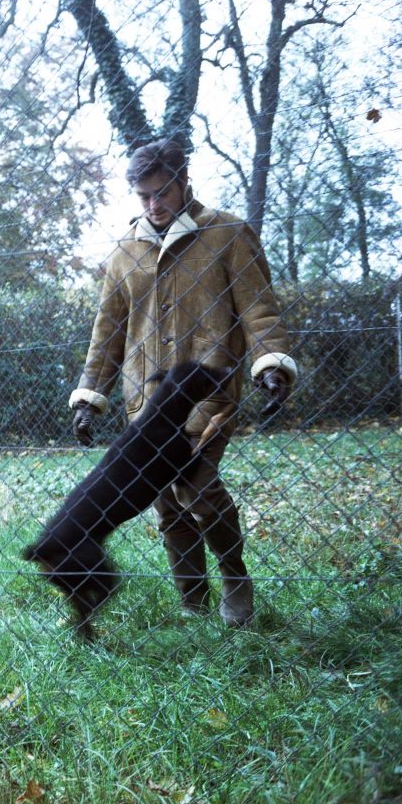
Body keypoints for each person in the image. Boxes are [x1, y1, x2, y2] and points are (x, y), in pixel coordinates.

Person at [68, 137, 298, 625]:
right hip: (145, 404)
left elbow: (259, 309)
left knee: (198, 489)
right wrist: (91, 395)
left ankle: (234, 577)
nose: (155, 204)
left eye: (163, 191)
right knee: (167, 503)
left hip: (206, 393)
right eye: (144, 196)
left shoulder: (228, 234)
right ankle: (191, 599)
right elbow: (107, 332)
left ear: (183, 180)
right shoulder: (123, 254)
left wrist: (271, 362)